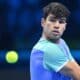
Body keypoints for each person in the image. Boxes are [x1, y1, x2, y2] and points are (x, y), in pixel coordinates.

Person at [30, 2, 80, 80]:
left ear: (65, 26)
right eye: (52, 20)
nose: (57, 25)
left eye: (61, 22)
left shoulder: (61, 42)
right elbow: (77, 73)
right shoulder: (47, 49)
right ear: (43, 22)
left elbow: (75, 71)